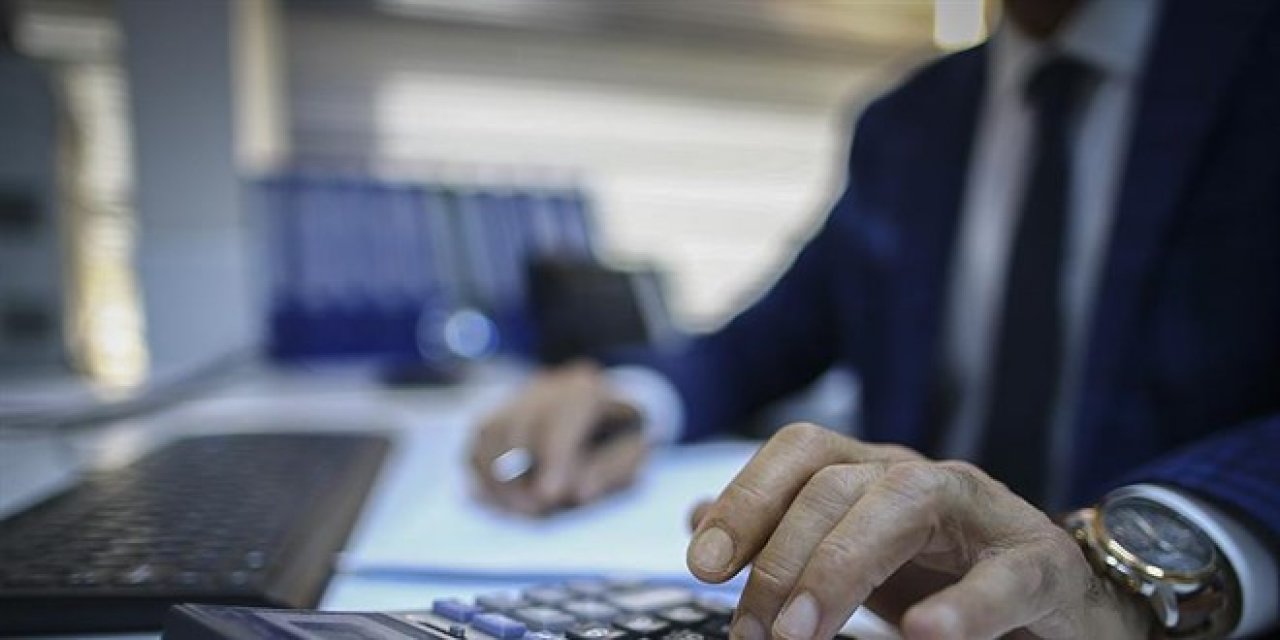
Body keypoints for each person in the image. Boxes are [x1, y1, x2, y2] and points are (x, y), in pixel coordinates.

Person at [469, 0, 1280, 637]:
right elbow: (769, 339)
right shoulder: (908, 122)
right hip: (894, 616)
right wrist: (630, 399)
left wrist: (1137, 568)